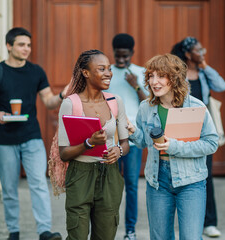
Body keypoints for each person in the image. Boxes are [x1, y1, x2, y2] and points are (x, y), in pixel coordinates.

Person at [0, 27, 66, 240]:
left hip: (31, 136)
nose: (26, 49)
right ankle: (13, 232)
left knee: (39, 184)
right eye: (21, 45)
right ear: (9, 46)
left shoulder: (36, 71)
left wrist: (62, 94)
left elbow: (49, 101)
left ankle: (44, 231)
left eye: (29, 45)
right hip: (4, 139)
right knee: (9, 189)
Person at [127, 53, 219, 240]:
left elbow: (211, 143)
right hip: (158, 181)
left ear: (175, 78)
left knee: (191, 238)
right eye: (151, 76)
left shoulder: (195, 106)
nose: (154, 81)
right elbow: (143, 141)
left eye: (161, 76)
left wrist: (174, 146)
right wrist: (132, 131)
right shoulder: (146, 107)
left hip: (191, 181)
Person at [58, 49, 130, 240]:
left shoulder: (115, 102)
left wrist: (119, 150)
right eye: (101, 69)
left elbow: (125, 142)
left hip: (110, 175)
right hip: (80, 174)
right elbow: (64, 153)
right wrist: (88, 143)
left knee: (106, 234)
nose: (108, 73)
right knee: (77, 235)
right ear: (86, 72)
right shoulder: (70, 104)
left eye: (109, 68)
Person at [171, 36, 225, 238]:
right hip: (182, 128)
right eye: (198, 49)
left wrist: (205, 65)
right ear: (187, 54)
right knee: (183, 173)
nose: (202, 51)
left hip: (203, 130)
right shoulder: (178, 73)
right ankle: (188, 220)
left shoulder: (203, 73)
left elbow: (221, 86)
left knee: (206, 175)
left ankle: (209, 222)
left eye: (202, 48)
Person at [106, 33, 148, 240]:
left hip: (133, 137)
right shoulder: (107, 73)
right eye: (118, 56)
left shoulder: (142, 73)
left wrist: (136, 85)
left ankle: (130, 231)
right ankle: (107, 229)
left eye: (125, 56)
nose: (121, 60)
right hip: (110, 137)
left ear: (132, 53)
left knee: (131, 184)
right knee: (109, 186)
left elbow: (150, 105)